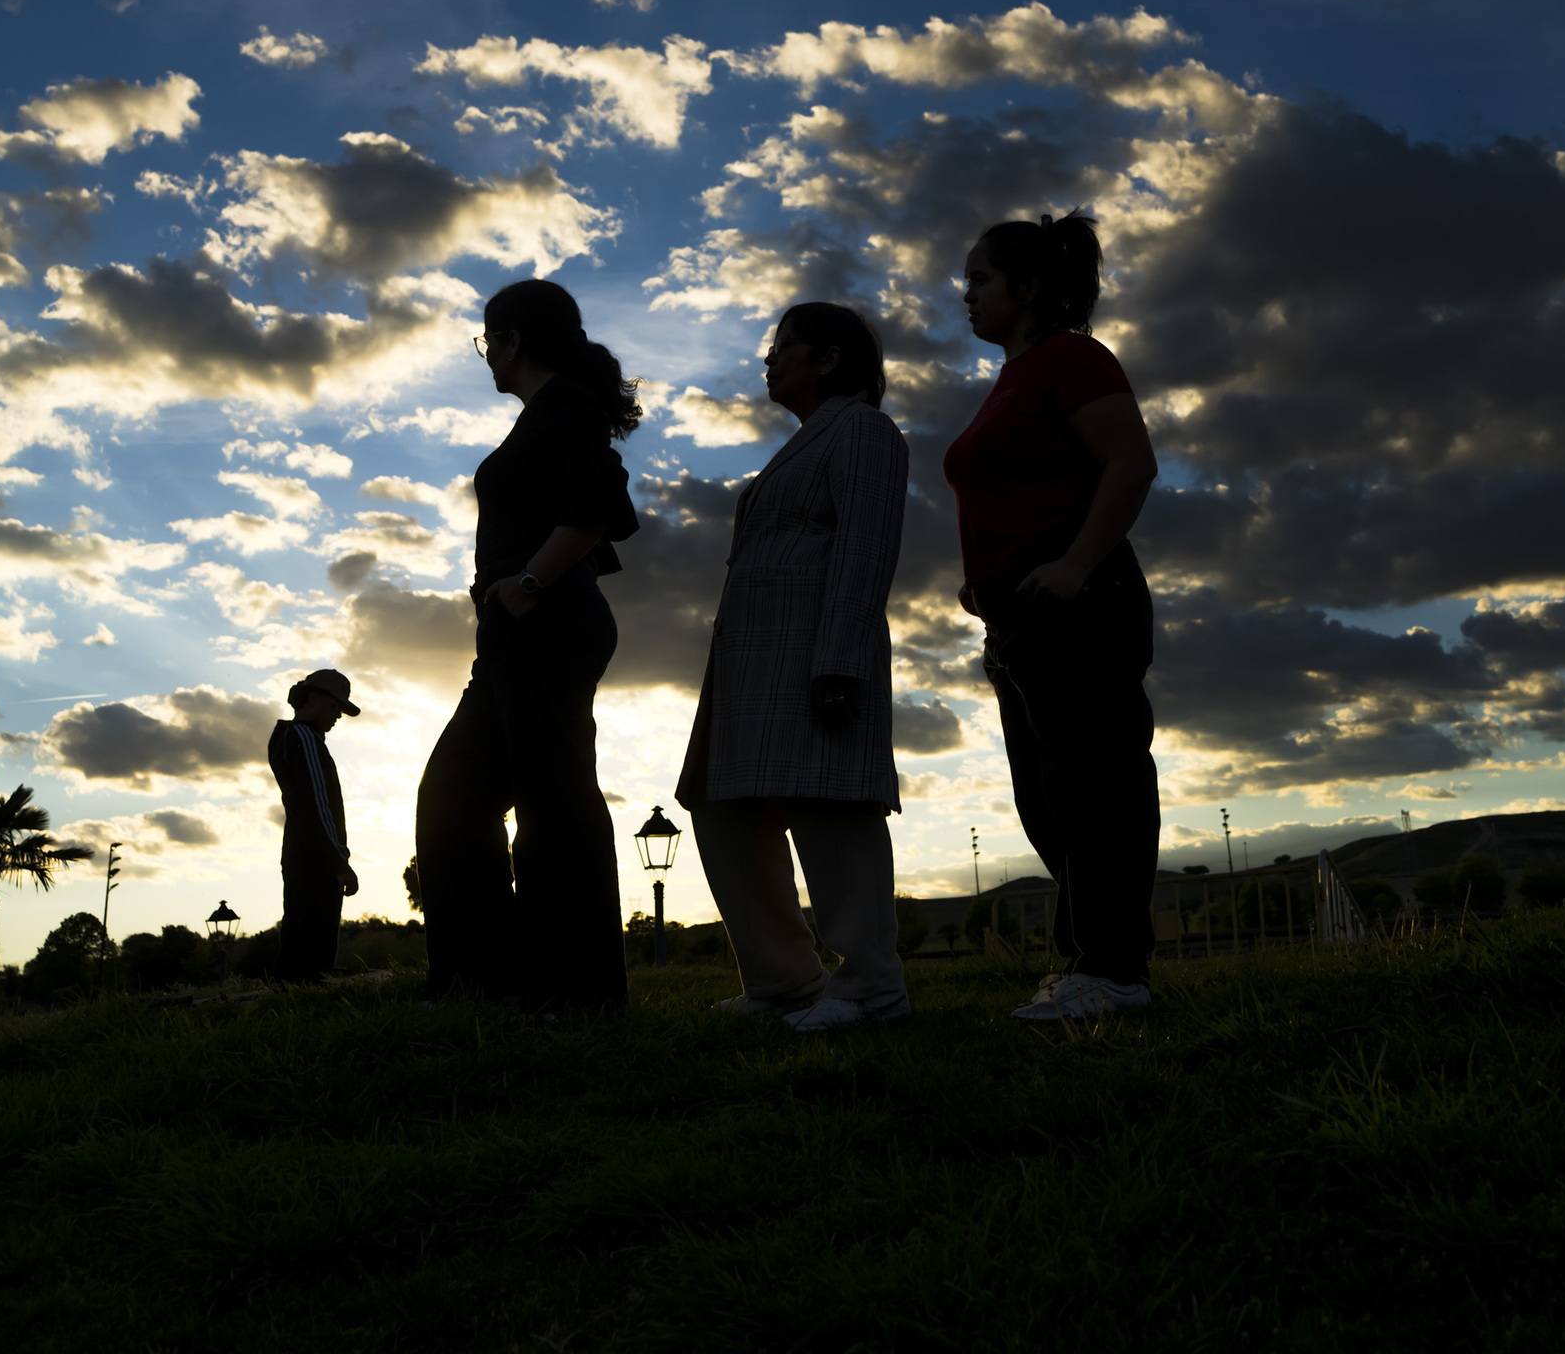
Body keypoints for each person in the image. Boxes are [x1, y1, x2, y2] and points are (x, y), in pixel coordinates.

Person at [944, 212, 1162, 1023]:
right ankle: (1094, 965)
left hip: (1082, 603)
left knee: (1098, 783)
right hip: (1021, 618)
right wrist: (986, 584)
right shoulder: (1016, 376)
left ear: (1028, 287)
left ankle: (1112, 972)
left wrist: (1074, 563)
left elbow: (1131, 463)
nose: (966, 295)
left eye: (979, 279)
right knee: (1049, 798)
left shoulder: (1072, 357)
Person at [680, 302, 912, 1032]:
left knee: (829, 800)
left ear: (831, 358)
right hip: (749, 657)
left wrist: (840, 659)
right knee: (722, 805)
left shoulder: (864, 429)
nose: (769, 360)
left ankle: (872, 983)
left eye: (784, 347)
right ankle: (783, 979)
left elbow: (866, 545)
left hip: (813, 648)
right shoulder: (809, 440)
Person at [413, 278, 643, 1009]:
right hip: (516, 635)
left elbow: (600, 506)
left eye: (489, 340)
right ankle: (480, 981)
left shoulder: (566, 406)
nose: (487, 356)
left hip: (547, 623)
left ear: (514, 340)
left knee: (555, 803)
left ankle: (576, 992)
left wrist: (529, 583)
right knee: (454, 795)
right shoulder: (547, 412)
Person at [266, 669, 362, 981]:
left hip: (303, 854)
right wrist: (340, 861)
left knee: (300, 942)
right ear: (313, 698)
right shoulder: (304, 738)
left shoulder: (292, 738)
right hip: (315, 859)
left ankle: (291, 1005)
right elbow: (317, 806)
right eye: (335, 706)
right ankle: (297, 1008)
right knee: (311, 952)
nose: (338, 715)